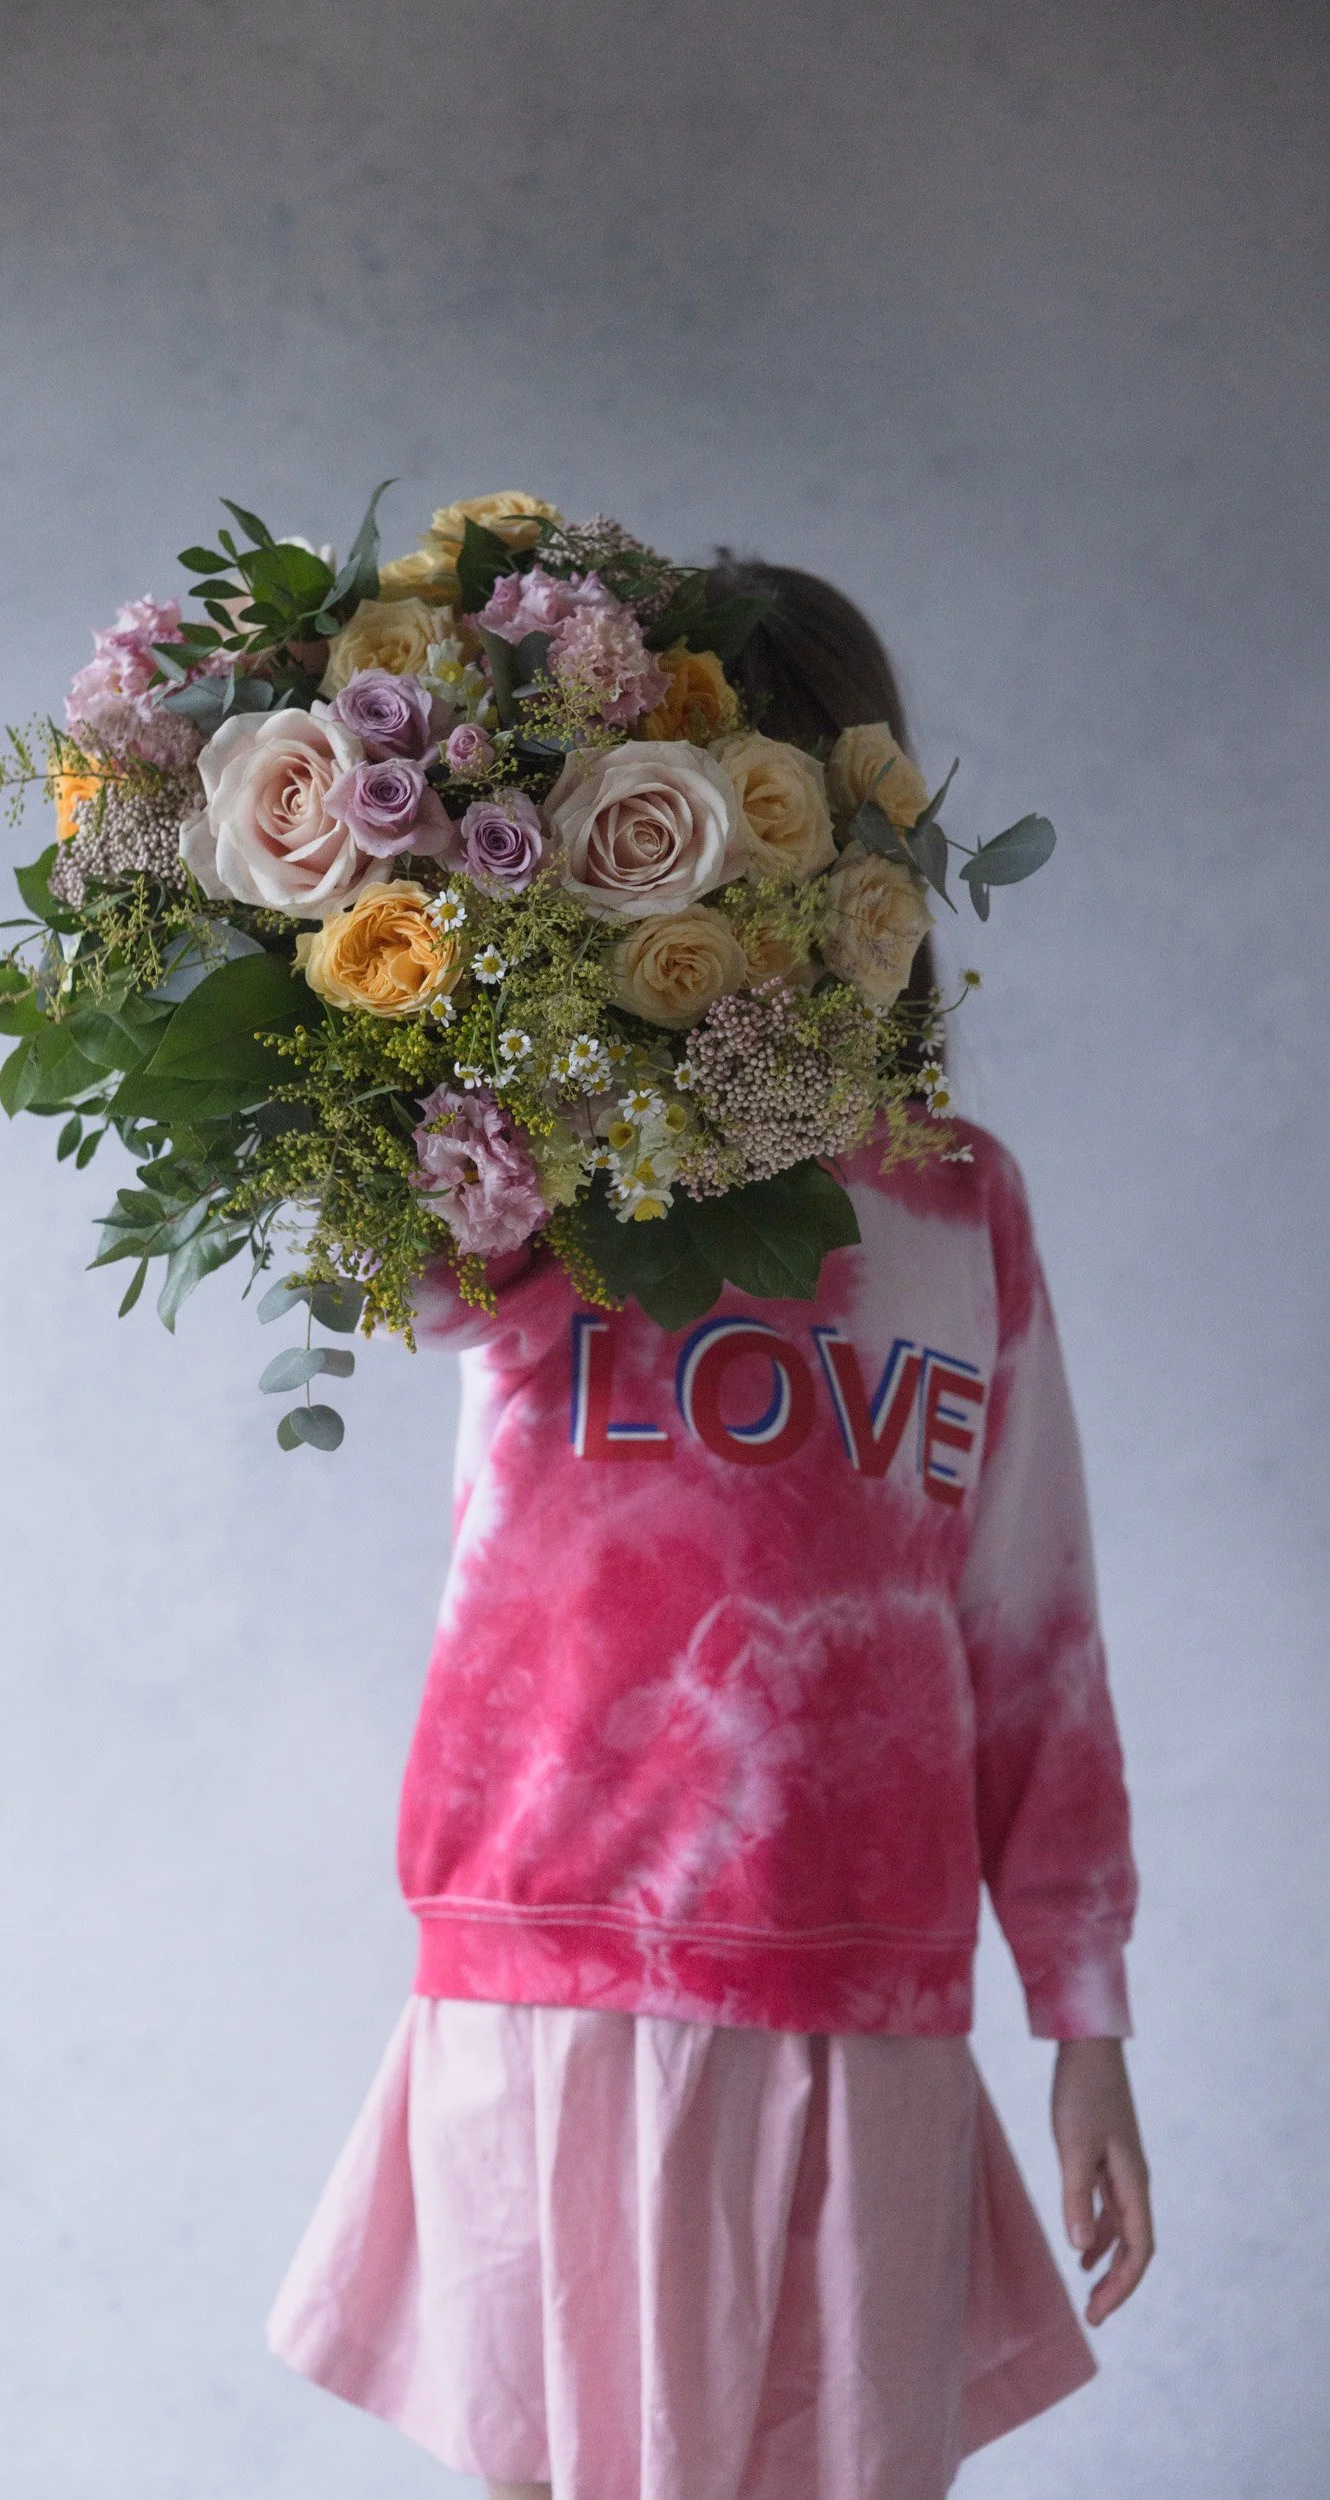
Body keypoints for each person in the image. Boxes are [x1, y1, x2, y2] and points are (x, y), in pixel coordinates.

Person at [266, 562, 1153, 2500]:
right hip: (537, 1959)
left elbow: (1031, 1621)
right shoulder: (530, 1172)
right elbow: (386, 1274)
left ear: (856, 843)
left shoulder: (946, 1202)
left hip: (857, 1980)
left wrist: (1078, 2014)